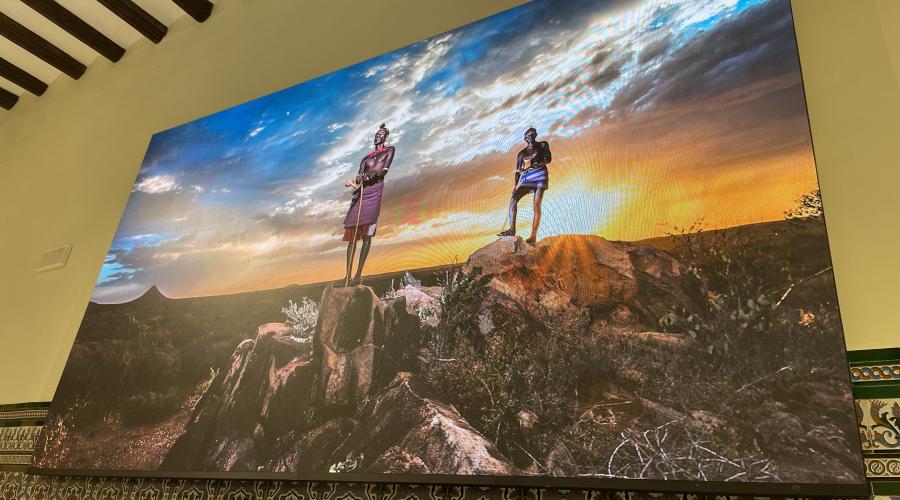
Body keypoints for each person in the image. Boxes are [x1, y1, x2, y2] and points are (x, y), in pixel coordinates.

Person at [342, 124, 395, 286]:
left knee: (367, 235)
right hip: (361, 195)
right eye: (376, 133)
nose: (378, 135)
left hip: (374, 192)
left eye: (381, 133)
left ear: (386, 137)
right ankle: (347, 277)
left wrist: (370, 176)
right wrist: (354, 181)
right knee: (352, 235)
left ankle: (358, 276)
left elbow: (384, 171)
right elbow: (358, 176)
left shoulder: (389, 150)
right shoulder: (366, 158)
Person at [497, 127, 551, 244]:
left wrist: (534, 166)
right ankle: (512, 229)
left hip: (540, 174)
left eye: (532, 134)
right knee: (513, 199)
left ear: (536, 135)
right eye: (528, 135)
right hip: (527, 178)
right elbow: (517, 172)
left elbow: (548, 159)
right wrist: (516, 186)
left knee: (536, 204)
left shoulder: (542, 145)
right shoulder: (522, 154)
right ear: (525, 138)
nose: (530, 136)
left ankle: (533, 236)